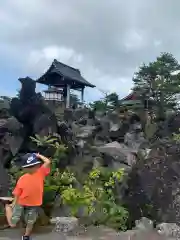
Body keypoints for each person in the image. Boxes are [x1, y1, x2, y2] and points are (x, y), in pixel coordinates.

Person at [0, 153, 51, 240]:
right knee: (13, 223)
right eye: (30, 167)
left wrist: (38, 155)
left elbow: (47, 161)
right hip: (21, 202)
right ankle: (7, 206)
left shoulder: (40, 172)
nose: (33, 168)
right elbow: (17, 193)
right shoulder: (22, 178)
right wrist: (13, 204)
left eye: (35, 165)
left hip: (34, 203)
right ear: (24, 168)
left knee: (30, 222)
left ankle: (26, 236)